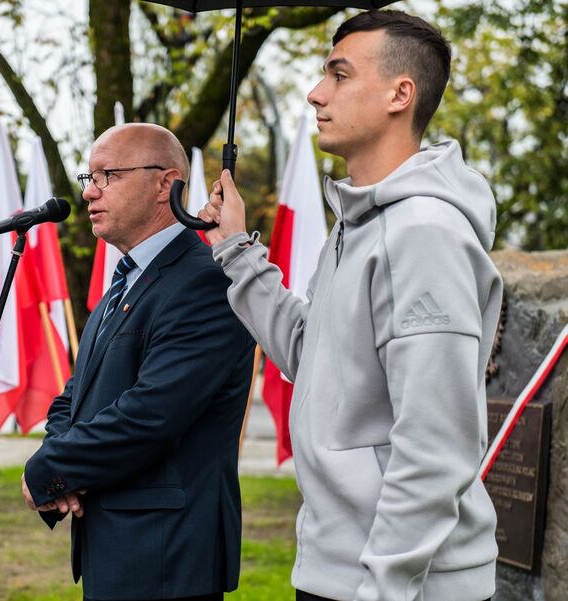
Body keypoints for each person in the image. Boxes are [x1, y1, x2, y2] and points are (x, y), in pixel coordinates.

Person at [198, 10, 501, 601]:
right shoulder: (358, 227)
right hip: (341, 571)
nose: (316, 94)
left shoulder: (422, 233)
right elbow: (311, 355)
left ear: (399, 94)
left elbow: (435, 445)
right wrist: (237, 251)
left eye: (339, 75)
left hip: (404, 585)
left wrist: (383, 587)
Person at [21, 123, 255, 601]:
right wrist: (59, 460)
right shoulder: (125, 280)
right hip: (117, 546)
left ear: (164, 185)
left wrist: (50, 471)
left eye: (108, 176)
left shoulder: (205, 282)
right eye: (89, 178)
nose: (90, 193)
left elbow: (151, 413)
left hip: (167, 556)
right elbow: (76, 394)